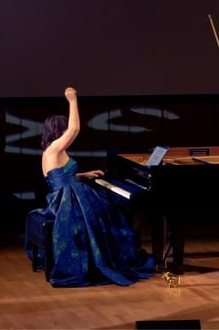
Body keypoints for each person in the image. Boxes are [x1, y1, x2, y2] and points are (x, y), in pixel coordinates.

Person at [25, 86, 156, 287]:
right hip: (67, 201)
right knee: (113, 212)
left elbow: (57, 177)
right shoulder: (55, 148)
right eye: (64, 130)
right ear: (59, 131)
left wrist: (84, 175)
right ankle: (118, 256)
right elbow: (75, 129)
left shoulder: (50, 152)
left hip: (66, 193)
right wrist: (72, 100)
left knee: (109, 210)